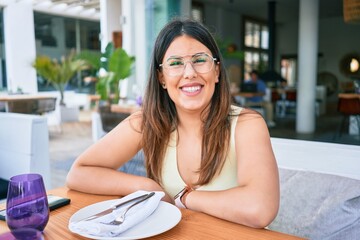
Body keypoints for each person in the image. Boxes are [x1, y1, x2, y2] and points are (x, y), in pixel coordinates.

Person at [66, 18, 279, 228]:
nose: (189, 73)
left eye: (200, 60)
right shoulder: (148, 122)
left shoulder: (247, 124)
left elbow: (260, 208)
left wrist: (186, 199)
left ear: (216, 71)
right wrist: (146, 186)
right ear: (161, 78)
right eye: (175, 63)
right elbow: (79, 172)